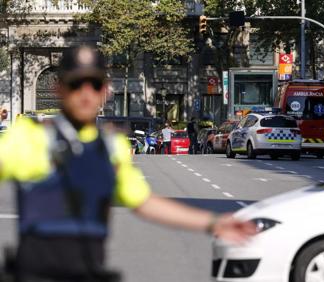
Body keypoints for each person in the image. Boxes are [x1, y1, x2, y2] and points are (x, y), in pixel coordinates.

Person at [0, 46, 256, 281]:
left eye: (94, 84)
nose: (86, 93)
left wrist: (213, 223)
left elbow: (143, 202)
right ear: (60, 89)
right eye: (77, 84)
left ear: (105, 89)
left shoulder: (112, 147)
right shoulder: (29, 138)